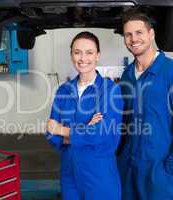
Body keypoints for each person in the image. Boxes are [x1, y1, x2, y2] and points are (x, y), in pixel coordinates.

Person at [117, 8, 173, 200]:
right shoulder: (128, 75)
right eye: (128, 34)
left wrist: (172, 167)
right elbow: (125, 120)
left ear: (151, 34)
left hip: (159, 173)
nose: (133, 39)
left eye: (139, 33)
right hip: (129, 169)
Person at [46, 31, 123, 200]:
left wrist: (63, 130)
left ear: (97, 56)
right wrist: (85, 129)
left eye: (89, 52)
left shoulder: (110, 91)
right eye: (77, 52)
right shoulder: (63, 90)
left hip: (99, 175)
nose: (83, 58)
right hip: (69, 173)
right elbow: (51, 134)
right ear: (71, 55)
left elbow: (99, 134)